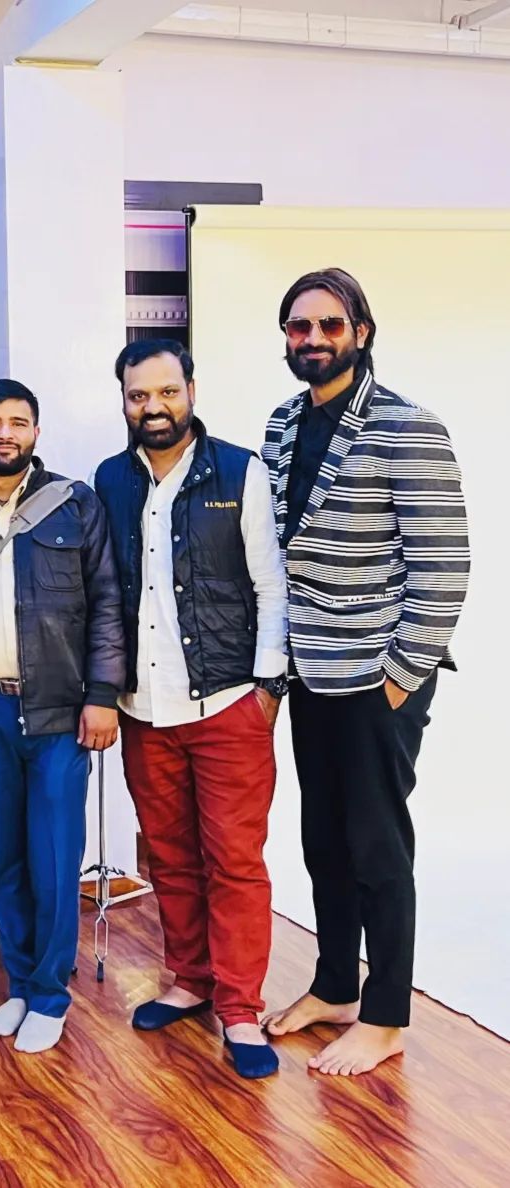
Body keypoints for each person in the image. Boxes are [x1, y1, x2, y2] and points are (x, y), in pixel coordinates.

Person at [260, 269, 470, 1075]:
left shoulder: (408, 428)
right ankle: (335, 985)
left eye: (328, 324)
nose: (312, 338)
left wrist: (400, 677)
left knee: (378, 849)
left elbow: (443, 566)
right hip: (311, 675)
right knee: (323, 843)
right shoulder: (283, 425)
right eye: (298, 327)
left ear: (361, 332)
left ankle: (386, 1018)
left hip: (379, 678)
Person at [94, 339, 288, 1079]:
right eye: (139, 396)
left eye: (166, 393)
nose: (154, 407)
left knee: (234, 861)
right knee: (169, 854)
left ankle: (240, 1009)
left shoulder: (240, 471)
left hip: (229, 700)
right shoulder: (109, 479)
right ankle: (190, 979)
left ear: (191, 390)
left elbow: (271, 587)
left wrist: (268, 688)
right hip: (146, 709)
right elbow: (106, 590)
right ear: (124, 400)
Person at [0, 379, 124, 1054]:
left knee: (52, 858)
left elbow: (107, 604)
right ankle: (20, 982)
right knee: (5, 860)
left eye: (18, 422)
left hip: (60, 712)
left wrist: (103, 696)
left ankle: (50, 994)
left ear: (36, 433)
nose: (5, 433)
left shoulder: (75, 506)